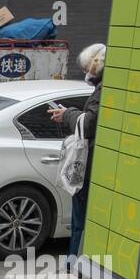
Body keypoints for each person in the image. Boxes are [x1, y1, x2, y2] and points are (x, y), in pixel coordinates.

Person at [51, 43, 104, 265]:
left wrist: (68, 114)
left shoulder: (102, 90)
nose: (86, 75)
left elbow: (89, 124)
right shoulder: (103, 88)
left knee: (80, 220)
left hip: (90, 169)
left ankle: (74, 264)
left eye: (87, 70)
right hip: (94, 168)